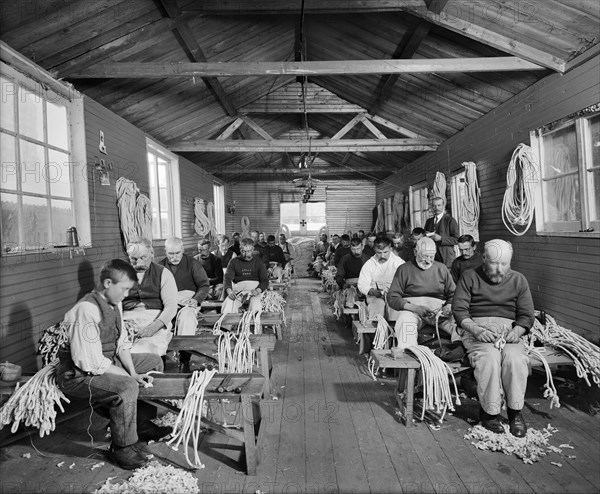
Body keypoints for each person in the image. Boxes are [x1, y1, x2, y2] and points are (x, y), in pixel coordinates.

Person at [56, 259, 172, 470]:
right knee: (126, 387)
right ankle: (122, 448)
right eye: (124, 289)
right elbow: (90, 362)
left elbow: (122, 344)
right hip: (78, 374)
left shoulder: (114, 303)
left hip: (106, 360)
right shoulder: (86, 310)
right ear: (108, 283)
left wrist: (134, 372)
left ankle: (140, 423)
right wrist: (129, 378)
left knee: (153, 361)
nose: (127, 295)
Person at [452, 239, 534, 437]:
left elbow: (526, 315)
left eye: (504, 264)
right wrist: (477, 330)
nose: (499, 269)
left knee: (515, 359)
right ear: (483, 258)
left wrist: (519, 330)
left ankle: (515, 412)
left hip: (507, 332)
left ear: (510, 262)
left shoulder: (518, 280)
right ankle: (490, 412)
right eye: (494, 263)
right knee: (489, 358)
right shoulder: (469, 276)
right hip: (476, 330)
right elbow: (460, 311)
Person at [387, 237, 456, 348]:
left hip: (439, 313)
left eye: (431, 257)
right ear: (415, 252)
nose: (428, 260)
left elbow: (454, 294)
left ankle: (456, 357)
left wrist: (449, 305)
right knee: (405, 324)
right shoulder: (404, 269)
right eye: (424, 256)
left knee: (462, 326)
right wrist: (415, 308)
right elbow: (392, 297)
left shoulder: (442, 269)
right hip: (412, 311)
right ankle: (409, 358)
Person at [122, 237, 178, 356]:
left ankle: (153, 371)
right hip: (127, 317)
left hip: (154, 317)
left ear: (151, 253)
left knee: (148, 347)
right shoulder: (121, 274)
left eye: (143, 258)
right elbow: (113, 303)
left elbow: (171, 307)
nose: (139, 263)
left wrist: (153, 328)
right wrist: (121, 323)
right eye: (134, 259)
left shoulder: (163, 274)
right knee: (122, 347)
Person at [357, 237, 405, 353]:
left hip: (393, 295)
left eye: (385, 252)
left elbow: (406, 282)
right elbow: (362, 284)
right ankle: (377, 346)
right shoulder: (369, 264)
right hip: (375, 296)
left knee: (395, 314)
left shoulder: (399, 263)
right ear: (374, 250)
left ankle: (396, 346)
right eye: (379, 253)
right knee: (377, 314)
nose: (382, 256)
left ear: (391, 249)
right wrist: (371, 291)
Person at [222, 238, 270, 315]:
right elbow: (227, 277)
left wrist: (258, 290)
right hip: (239, 289)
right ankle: (226, 326)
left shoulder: (259, 262)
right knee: (228, 304)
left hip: (255, 289)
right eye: (243, 251)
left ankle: (252, 326)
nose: (246, 255)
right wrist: (229, 291)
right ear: (240, 249)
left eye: (249, 251)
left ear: (253, 249)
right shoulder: (234, 261)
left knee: (255, 305)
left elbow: (265, 280)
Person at [160, 237, 210, 307]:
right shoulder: (160, 267)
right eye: (171, 254)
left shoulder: (193, 264)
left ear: (183, 250)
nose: (175, 257)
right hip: (168, 303)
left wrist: (196, 299)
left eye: (177, 253)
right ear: (165, 251)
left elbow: (204, 285)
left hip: (189, 302)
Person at [424, 197, 460, 268]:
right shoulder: (429, 221)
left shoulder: (450, 220)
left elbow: (456, 240)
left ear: (443, 206)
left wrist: (441, 238)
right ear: (431, 207)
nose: (436, 208)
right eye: (434, 206)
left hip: (446, 256)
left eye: (439, 205)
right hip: (432, 256)